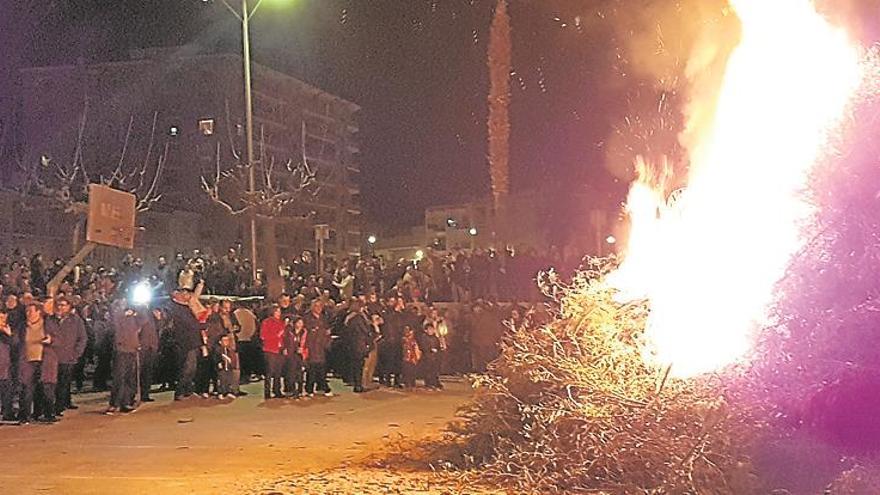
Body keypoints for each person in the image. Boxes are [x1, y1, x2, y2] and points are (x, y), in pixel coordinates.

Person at [19, 303, 58, 423]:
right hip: (28, 361)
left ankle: (48, 414)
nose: (28, 314)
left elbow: (60, 339)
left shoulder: (48, 325)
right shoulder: (22, 327)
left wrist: (51, 340)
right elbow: (17, 342)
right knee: (27, 389)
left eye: (31, 311)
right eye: (27, 312)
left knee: (47, 388)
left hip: (45, 361)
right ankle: (25, 416)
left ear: (38, 312)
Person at [53, 296, 87, 411]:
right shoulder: (52, 319)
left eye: (63, 305)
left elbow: (82, 338)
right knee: (55, 383)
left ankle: (60, 405)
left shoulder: (76, 320)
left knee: (64, 382)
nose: (60, 308)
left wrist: (76, 353)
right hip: (54, 357)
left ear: (69, 307)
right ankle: (59, 403)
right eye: (58, 305)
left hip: (68, 357)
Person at [106, 301, 140, 414]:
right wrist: (123, 313)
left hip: (132, 349)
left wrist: (137, 310)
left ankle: (126, 402)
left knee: (129, 377)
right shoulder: (117, 316)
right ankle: (114, 403)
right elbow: (113, 322)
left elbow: (143, 321)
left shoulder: (133, 317)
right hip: (121, 350)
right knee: (119, 377)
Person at [168, 288, 201, 400]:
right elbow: (189, 323)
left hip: (192, 340)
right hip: (185, 342)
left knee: (192, 368)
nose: (187, 295)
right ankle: (180, 391)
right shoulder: (177, 309)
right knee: (187, 367)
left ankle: (188, 390)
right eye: (184, 293)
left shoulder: (186, 307)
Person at [303, 300, 332, 397]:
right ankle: (309, 389)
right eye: (316, 306)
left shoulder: (323, 318)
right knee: (311, 369)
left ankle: (322, 387)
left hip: (321, 348)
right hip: (311, 347)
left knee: (321, 368)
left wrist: (327, 342)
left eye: (320, 306)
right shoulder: (307, 318)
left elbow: (327, 332)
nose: (318, 308)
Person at [260, 305, 286, 400]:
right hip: (270, 349)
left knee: (278, 372)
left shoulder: (281, 322)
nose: (279, 313)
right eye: (277, 311)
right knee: (269, 372)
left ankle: (277, 390)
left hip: (279, 349)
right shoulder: (266, 322)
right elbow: (263, 336)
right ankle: (267, 392)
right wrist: (277, 335)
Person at [345, 301, 371, 393]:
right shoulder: (358, 318)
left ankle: (357, 384)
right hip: (359, 344)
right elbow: (365, 330)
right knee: (359, 366)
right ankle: (358, 385)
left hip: (352, 344)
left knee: (356, 365)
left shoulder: (350, 318)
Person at [138, 307, 160, 402]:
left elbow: (158, 328)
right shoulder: (137, 311)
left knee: (148, 371)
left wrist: (158, 318)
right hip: (141, 346)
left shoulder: (152, 313)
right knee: (139, 371)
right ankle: (135, 395)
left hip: (151, 345)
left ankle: (145, 394)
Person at [283, 317, 307, 398]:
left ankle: (300, 389)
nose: (300, 325)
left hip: (300, 355)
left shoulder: (304, 332)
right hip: (291, 354)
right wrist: (285, 349)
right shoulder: (289, 332)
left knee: (300, 372)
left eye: (301, 323)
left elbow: (307, 343)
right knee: (291, 372)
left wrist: (303, 349)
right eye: (298, 323)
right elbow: (285, 341)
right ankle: (291, 389)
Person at [419, 322, 443, 390]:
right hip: (427, 356)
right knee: (428, 370)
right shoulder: (424, 337)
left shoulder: (435, 338)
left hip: (435, 357)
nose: (431, 331)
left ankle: (435, 382)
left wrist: (439, 349)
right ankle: (428, 383)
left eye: (432, 329)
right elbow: (423, 346)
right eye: (429, 329)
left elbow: (438, 346)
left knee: (435, 370)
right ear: (426, 330)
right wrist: (430, 349)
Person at [0, 309, 14, 421]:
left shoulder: (8, 330)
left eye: (4, 318)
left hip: (6, 367)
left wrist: (9, 334)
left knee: (7, 390)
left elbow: (15, 346)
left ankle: (7, 413)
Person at [215, 334, 238, 399]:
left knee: (229, 380)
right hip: (221, 368)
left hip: (229, 367)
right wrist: (218, 363)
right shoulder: (218, 350)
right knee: (221, 380)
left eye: (227, 340)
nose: (226, 342)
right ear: (220, 342)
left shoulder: (229, 350)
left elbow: (232, 358)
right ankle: (220, 392)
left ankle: (228, 392)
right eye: (224, 340)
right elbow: (216, 357)